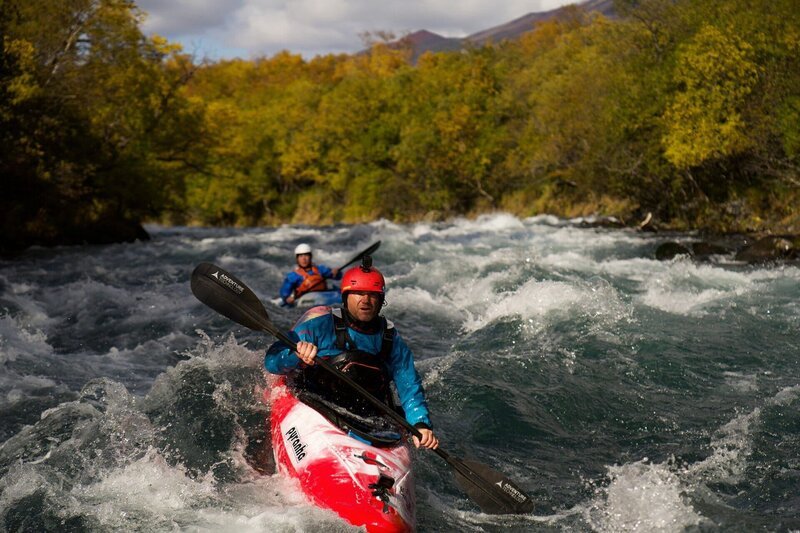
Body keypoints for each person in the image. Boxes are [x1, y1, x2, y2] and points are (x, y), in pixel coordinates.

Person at [265, 258, 439, 450]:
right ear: (346, 296)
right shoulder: (319, 327)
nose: (365, 300)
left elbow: (409, 386)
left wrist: (420, 424)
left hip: (367, 414)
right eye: (358, 293)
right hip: (316, 403)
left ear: (381, 301)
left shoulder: (391, 341)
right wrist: (295, 355)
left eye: (372, 295)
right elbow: (272, 361)